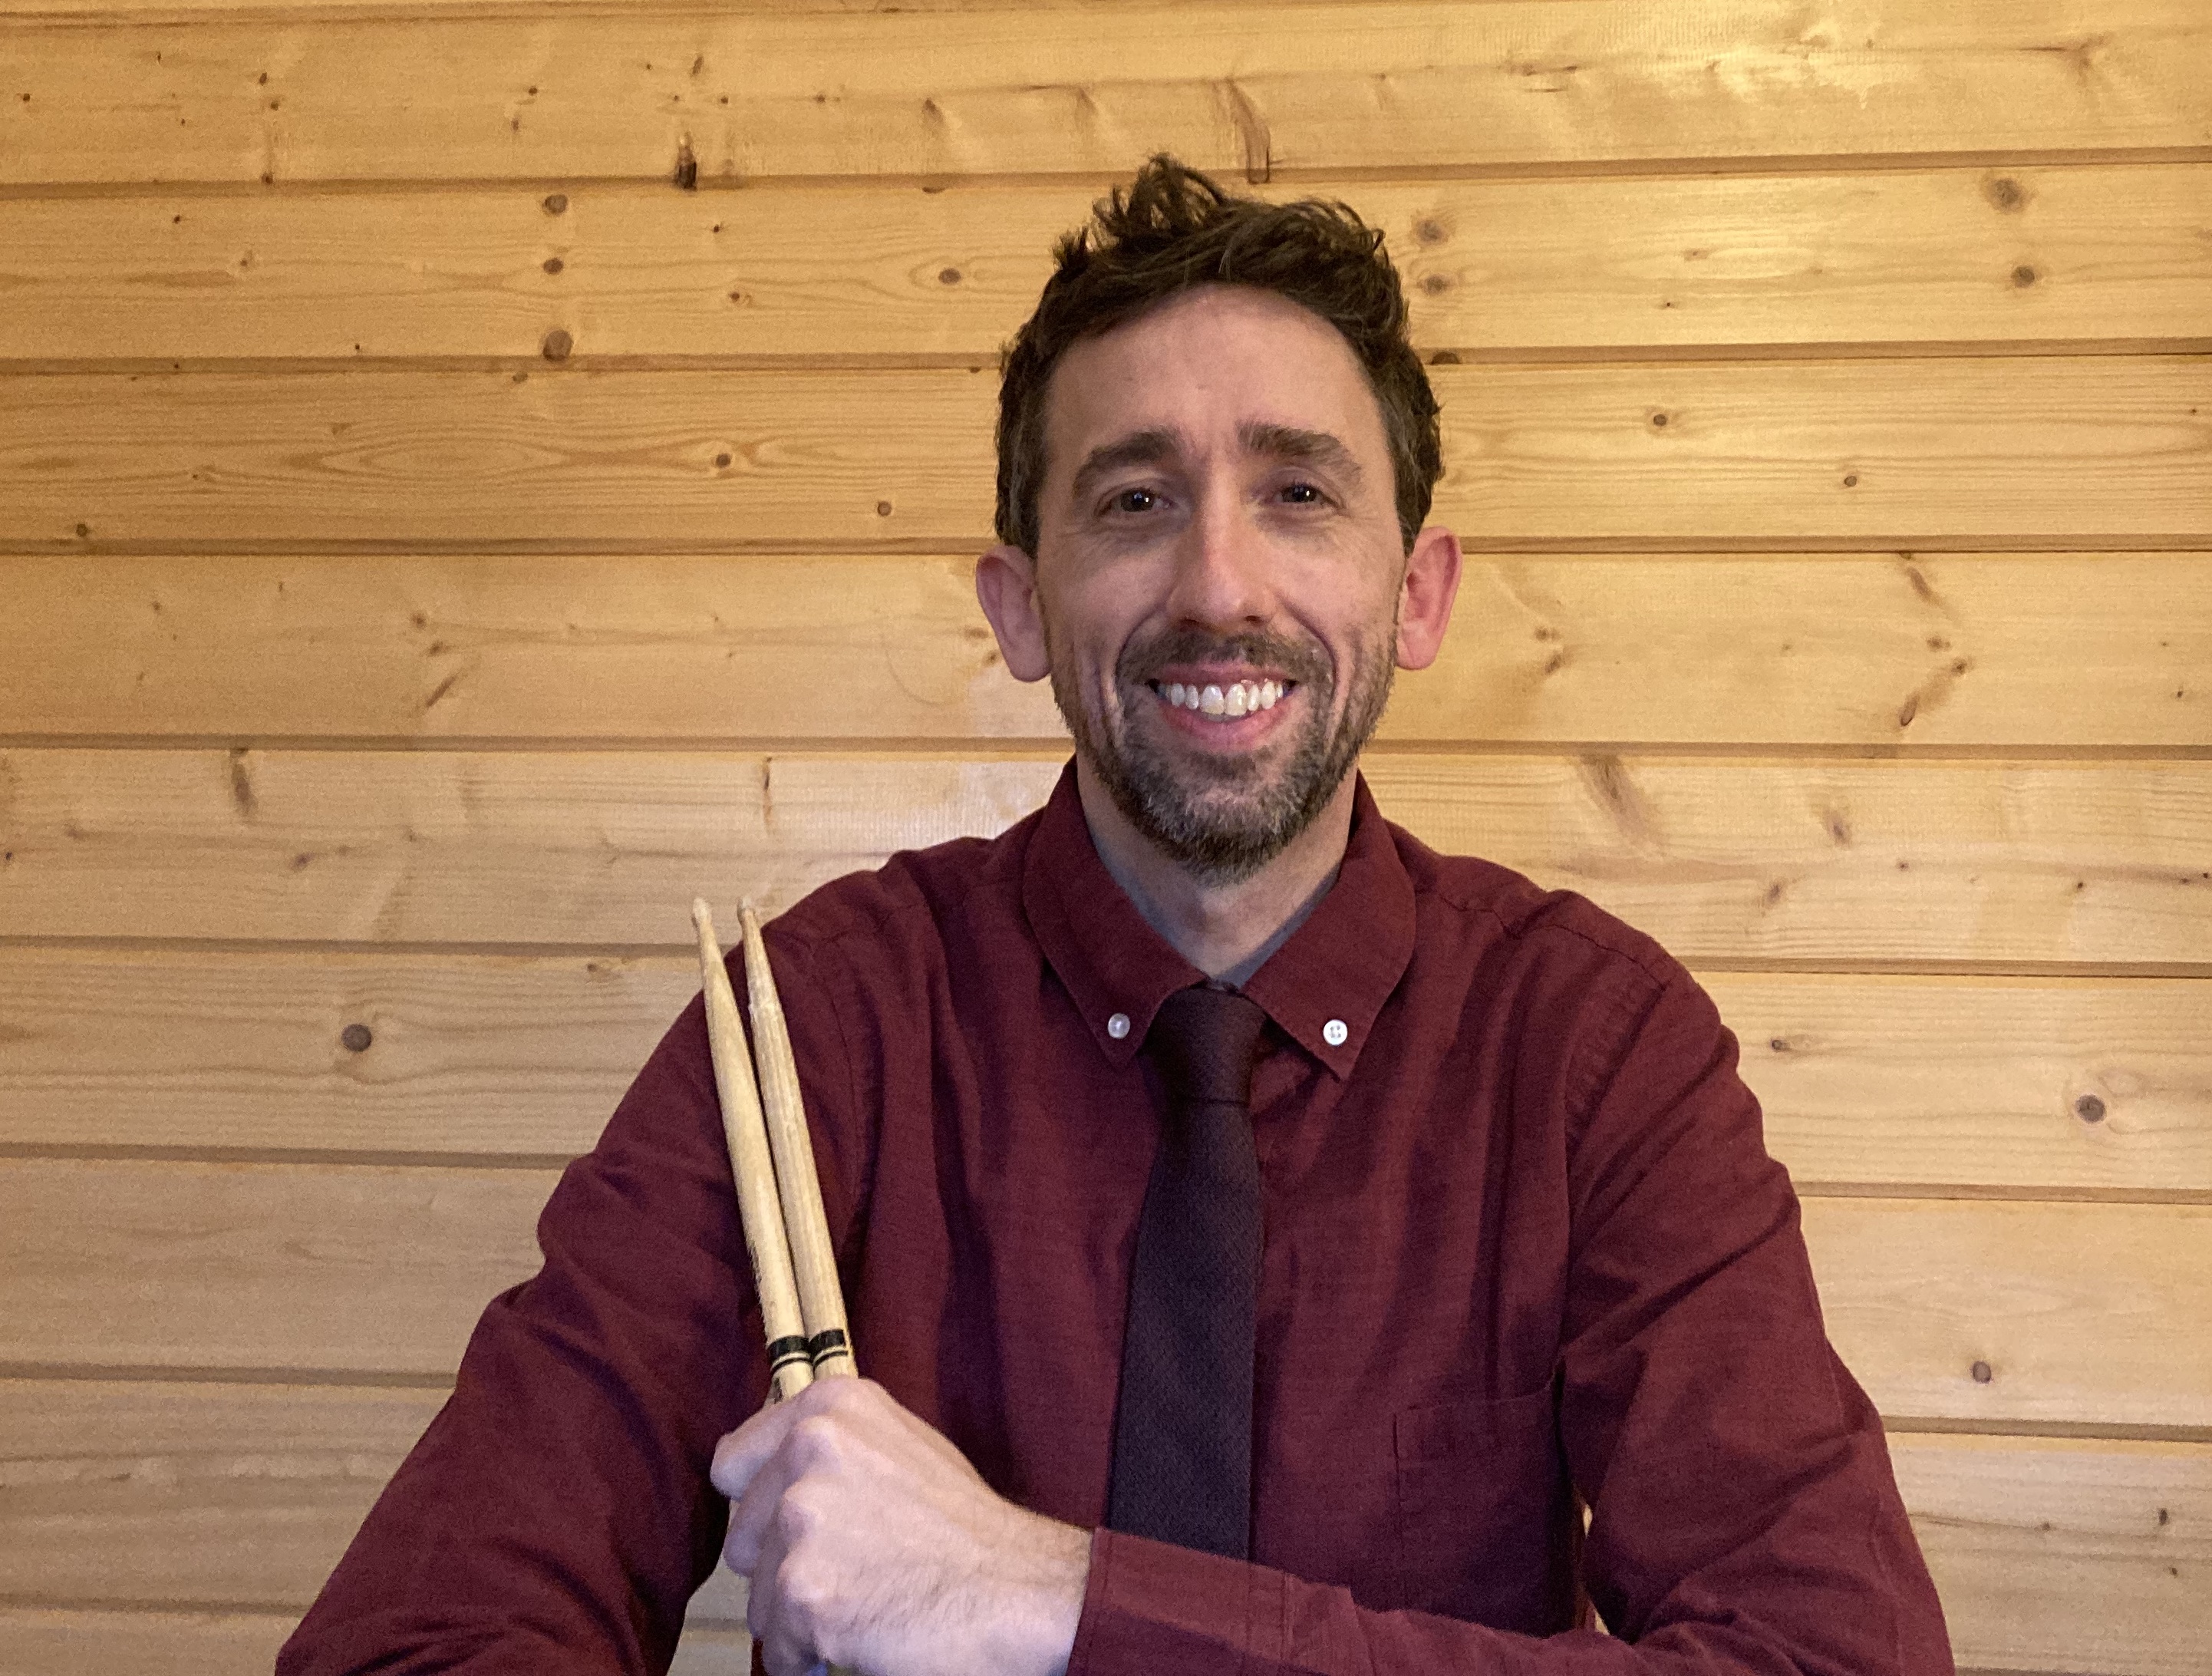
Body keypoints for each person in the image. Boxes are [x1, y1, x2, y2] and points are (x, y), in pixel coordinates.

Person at [280, 156, 1953, 1676]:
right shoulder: (818, 1024)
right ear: (1020, 607)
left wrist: (1050, 1600)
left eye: (1298, 494)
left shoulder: (1593, 1052)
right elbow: (416, 1643)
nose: (1219, 586)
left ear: (1416, 592)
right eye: (1135, 500)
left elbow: (1834, 1660)